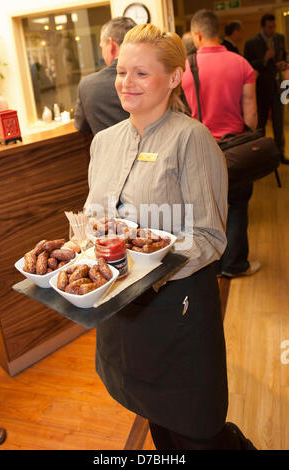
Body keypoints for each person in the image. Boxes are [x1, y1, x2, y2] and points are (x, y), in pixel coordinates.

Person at [84, 22, 256, 450]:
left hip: (176, 312)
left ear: (175, 77)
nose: (127, 82)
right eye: (123, 71)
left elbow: (210, 237)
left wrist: (147, 257)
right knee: (155, 418)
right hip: (121, 312)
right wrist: (84, 238)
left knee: (194, 429)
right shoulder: (104, 142)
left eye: (142, 73)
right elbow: (94, 210)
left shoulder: (192, 140)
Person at [182, 9, 260, 279]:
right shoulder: (242, 64)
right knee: (237, 205)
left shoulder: (185, 69)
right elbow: (251, 116)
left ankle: (211, 266)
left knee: (207, 209)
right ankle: (235, 265)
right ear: (218, 31)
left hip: (199, 151)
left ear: (197, 35)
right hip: (235, 148)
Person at [74, 16, 136, 135]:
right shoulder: (154, 77)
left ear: (111, 45)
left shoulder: (88, 86)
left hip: (109, 152)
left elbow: (80, 125)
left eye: (102, 46)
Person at [244, 13, 289, 164]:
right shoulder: (251, 43)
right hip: (261, 89)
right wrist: (264, 59)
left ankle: (279, 154)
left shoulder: (279, 38)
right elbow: (249, 66)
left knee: (279, 122)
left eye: (274, 26)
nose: (272, 30)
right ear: (262, 27)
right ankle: (262, 157)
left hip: (279, 86)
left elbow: (284, 56)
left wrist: (283, 63)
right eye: (269, 27)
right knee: (261, 124)